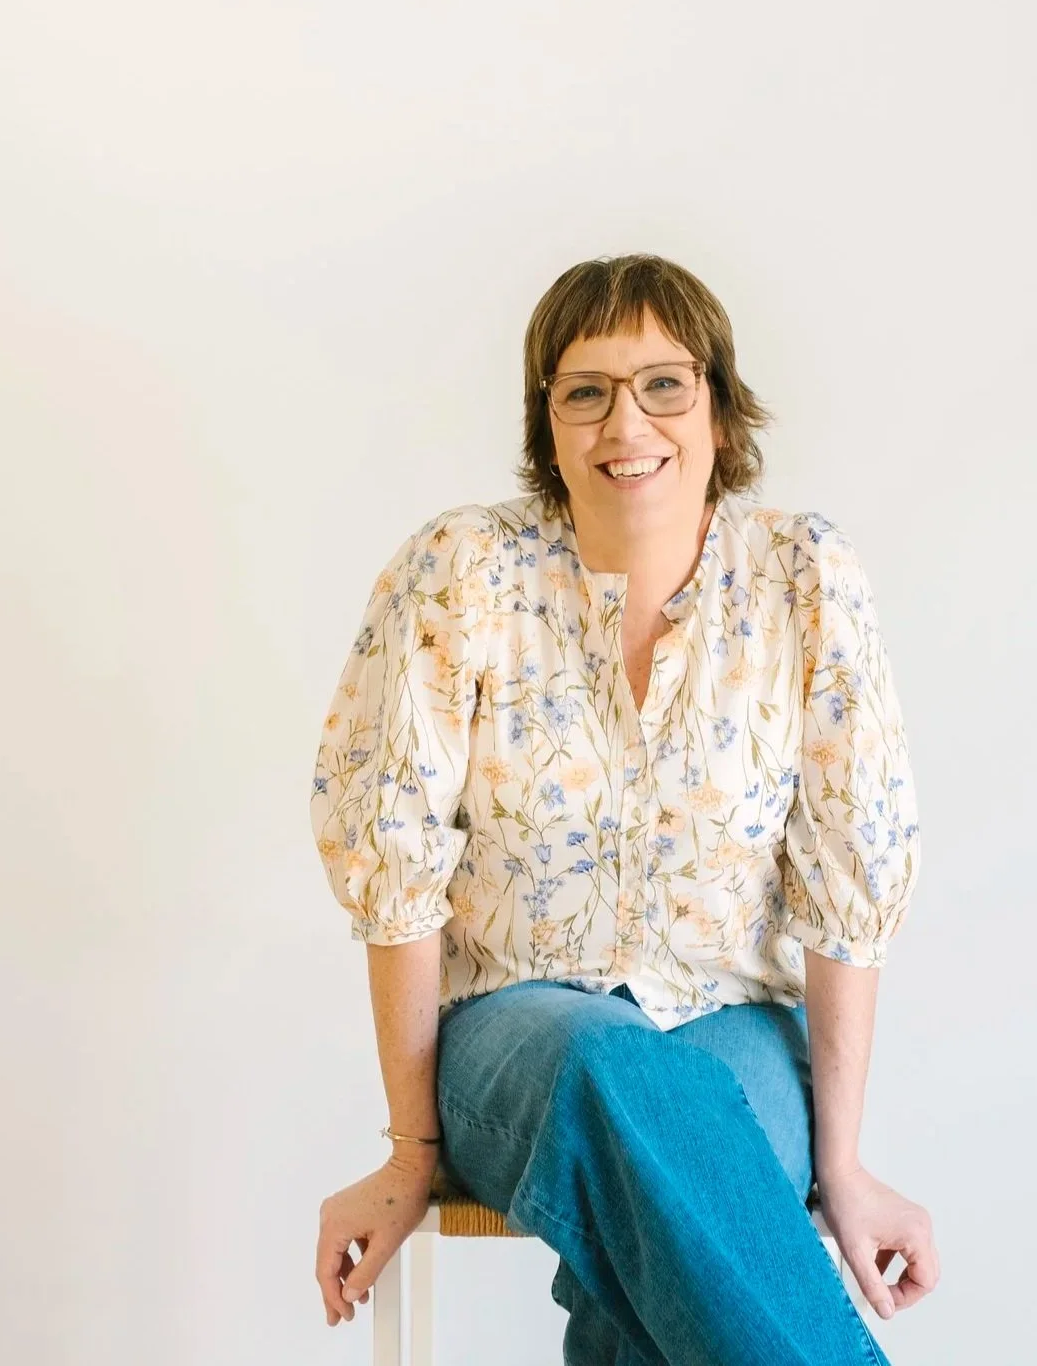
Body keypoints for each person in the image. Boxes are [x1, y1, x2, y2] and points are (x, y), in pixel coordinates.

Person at [309, 253, 937, 1364]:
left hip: (733, 1019)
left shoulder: (803, 578)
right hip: (521, 1030)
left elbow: (849, 880)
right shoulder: (465, 571)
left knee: (680, 1174)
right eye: (583, 389)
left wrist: (842, 1165)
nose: (623, 420)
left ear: (719, 404)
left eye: (662, 383)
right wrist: (412, 1150)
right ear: (544, 420)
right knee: (618, 1073)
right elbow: (394, 874)